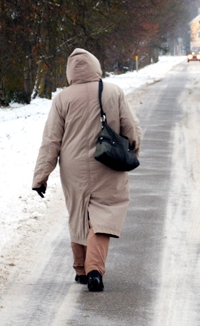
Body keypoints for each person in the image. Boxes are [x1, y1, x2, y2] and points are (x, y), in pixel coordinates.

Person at [32, 49, 141, 292]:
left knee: (79, 214)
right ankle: (94, 270)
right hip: (108, 162)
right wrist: (133, 149)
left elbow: (51, 140)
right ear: (95, 66)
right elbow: (130, 127)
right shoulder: (113, 92)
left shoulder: (62, 99)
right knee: (105, 216)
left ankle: (81, 269)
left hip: (73, 167)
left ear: (70, 71)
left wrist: (41, 176)